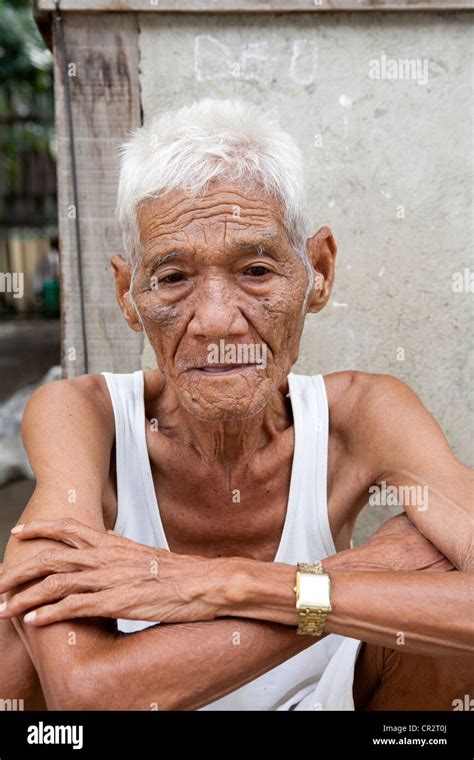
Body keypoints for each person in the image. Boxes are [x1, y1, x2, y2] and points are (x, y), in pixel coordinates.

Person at [0, 99, 472, 711]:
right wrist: (383, 566)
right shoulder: (84, 416)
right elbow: (84, 694)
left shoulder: (364, 412)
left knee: (441, 624)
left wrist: (229, 583)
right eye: (173, 279)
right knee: (21, 612)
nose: (216, 321)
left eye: (255, 269)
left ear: (318, 271)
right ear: (128, 294)